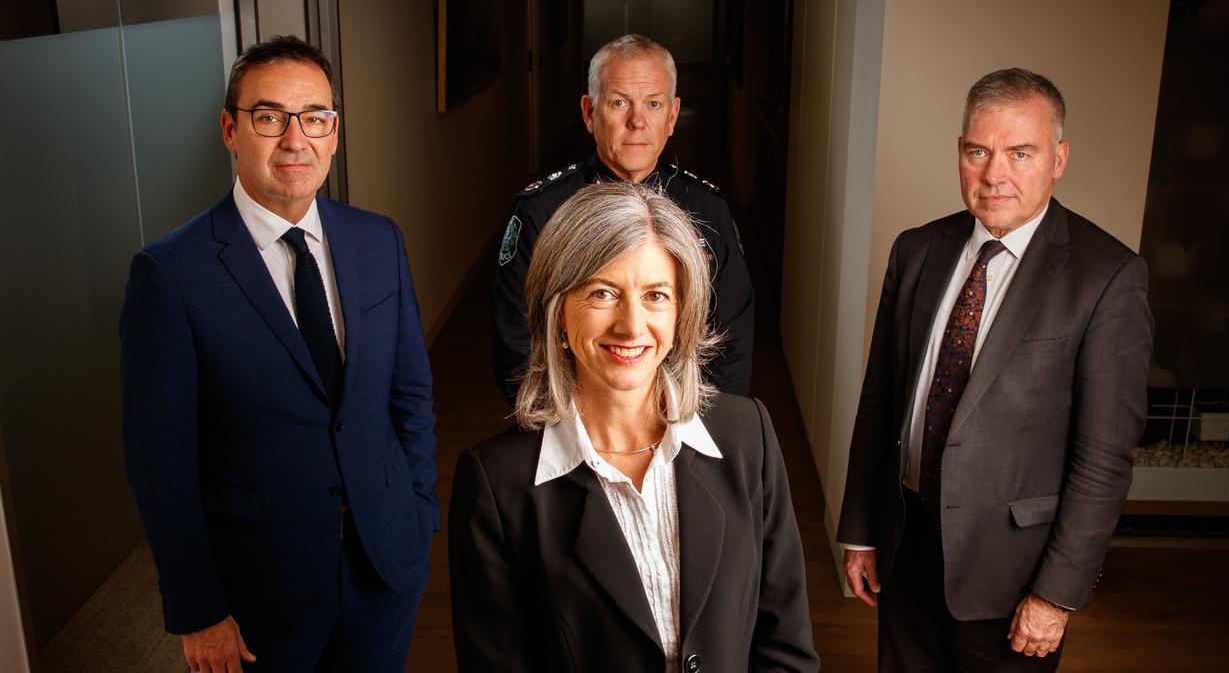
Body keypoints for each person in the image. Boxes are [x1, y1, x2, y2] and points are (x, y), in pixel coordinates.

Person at [120, 35, 438, 672]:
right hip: (261, 591)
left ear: (334, 131)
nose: (296, 140)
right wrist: (198, 607)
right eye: (269, 117)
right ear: (230, 130)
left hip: (384, 564)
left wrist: (418, 511)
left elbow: (410, 395)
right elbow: (161, 462)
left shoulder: (378, 241)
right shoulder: (171, 273)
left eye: (314, 117)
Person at [837, 68, 1153, 671]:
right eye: (979, 151)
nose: (994, 174)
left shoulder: (1107, 276)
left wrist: (1057, 593)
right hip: (907, 544)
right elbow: (880, 402)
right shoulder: (916, 249)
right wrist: (860, 530)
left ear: (1058, 159)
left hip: (1014, 574)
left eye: (1020, 153)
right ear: (960, 152)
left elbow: (1104, 458)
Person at [452, 182, 817, 672]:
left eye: (655, 295)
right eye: (602, 292)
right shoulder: (496, 484)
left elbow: (787, 650)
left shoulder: (748, 435)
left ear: (681, 312)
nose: (631, 324)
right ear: (557, 312)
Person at [492, 33, 754, 402]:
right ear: (589, 112)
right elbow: (516, 350)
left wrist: (694, 439)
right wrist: (584, 438)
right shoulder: (541, 214)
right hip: (574, 427)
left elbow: (733, 347)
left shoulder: (710, 212)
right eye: (619, 103)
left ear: (673, 115)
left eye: (653, 104)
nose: (637, 121)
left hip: (684, 425)